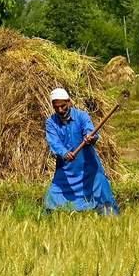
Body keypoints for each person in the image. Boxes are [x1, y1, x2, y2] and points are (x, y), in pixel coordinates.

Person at [43, 87, 119, 215]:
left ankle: (112, 221)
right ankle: (48, 222)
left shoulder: (82, 116)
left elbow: (89, 129)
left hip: (88, 167)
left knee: (102, 192)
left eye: (63, 106)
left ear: (69, 102)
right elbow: (54, 142)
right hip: (66, 171)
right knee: (53, 197)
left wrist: (90, 137)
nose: (60, 110)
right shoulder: (51, 122)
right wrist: (64, 153)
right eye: (56, 107)